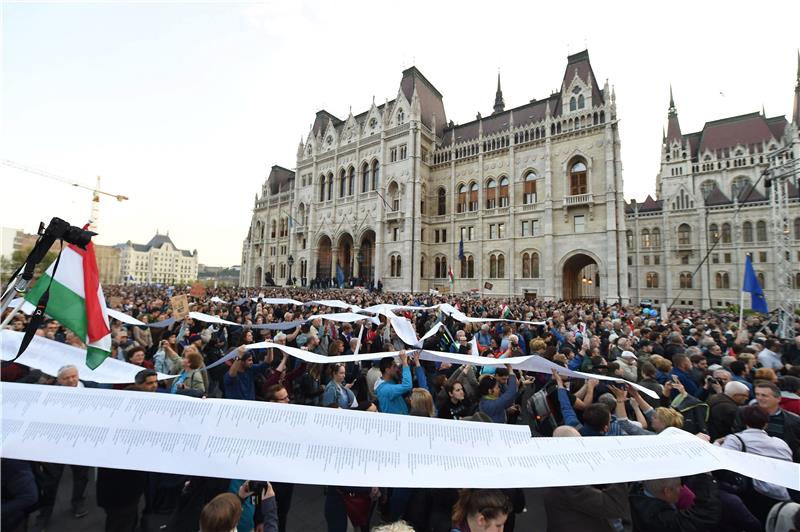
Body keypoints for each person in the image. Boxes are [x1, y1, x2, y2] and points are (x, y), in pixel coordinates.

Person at [718, 405, 793, 524]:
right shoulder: (781, 444)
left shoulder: (736, 440)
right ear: (766, 423)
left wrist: (716, 444)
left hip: (753, 496)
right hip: (783, 495)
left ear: (744, 421)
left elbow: (721, 459)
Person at [629, 475, 721, 532]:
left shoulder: (637, 492)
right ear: (667, 491)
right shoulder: (657, 518)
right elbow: (705, 516)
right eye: (679, 486)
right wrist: (707, 478)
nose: (682, 489)